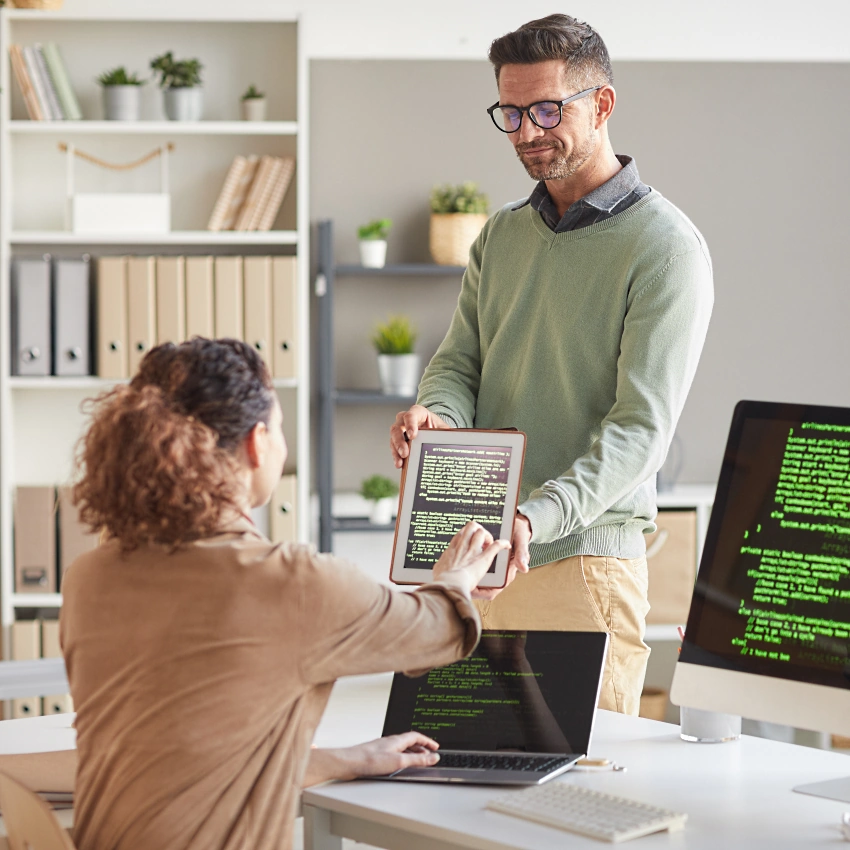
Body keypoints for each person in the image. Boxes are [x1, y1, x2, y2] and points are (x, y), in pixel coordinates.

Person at [60, 337, 509, 850]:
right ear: (256, 443)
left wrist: (351, 758)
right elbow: (439, 629)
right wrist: (455, 576)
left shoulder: (88, 578)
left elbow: (191, 754)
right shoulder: (288, 581)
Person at [390, 13, 713, 715]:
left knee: (578, 803)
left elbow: (639, 431)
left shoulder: (665, 248)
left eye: (545, 109)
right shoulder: (502, 234)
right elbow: (459, 365)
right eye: (510, 112)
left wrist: (530, 519)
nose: (526, 131)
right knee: (459, 784)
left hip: (581, 562)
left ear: (602, 104)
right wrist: (434, 414)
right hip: (475, 558)